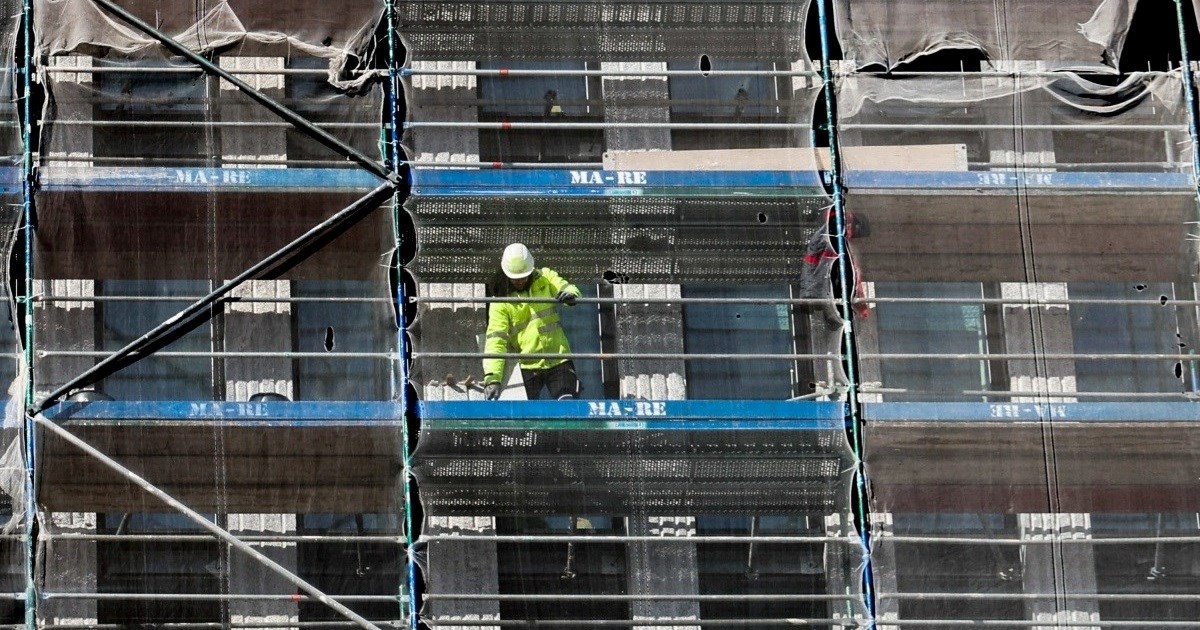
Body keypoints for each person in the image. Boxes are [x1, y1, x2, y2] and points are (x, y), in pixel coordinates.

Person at [482, 243, 582, 400]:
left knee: (567, 405)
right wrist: (493, 378)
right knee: (523, 417)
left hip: (558, 359)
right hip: (527, 365)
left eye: (523, 277)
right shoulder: (501, 301)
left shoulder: (545, 277)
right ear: (506, 275)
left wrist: (570, 295)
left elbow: (564, 285)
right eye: (515, 279)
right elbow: (496, 340)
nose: (520, 281)